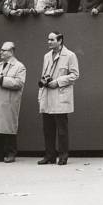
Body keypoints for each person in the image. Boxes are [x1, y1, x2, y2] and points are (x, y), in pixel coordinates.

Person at [38, 32, 79, 165]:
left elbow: (75, 75)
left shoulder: (70, 55)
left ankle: (63, 156)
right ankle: (49, 156)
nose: (49, 42)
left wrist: (58, 81)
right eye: (48, 39)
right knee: (48, 129)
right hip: (47, 96)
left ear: (60, 40)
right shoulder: (46, 56)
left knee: (62, 130)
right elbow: (44, 74)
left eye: (52, 40)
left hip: (60, 96)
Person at [0, 41, 26, 163]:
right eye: (1, 50)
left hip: (7, 102)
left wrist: (2, 79)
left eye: (4, 50)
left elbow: (19, 83)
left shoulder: (19, 66)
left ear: (11, 52)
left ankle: (11, 154)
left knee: (8, 128)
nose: (1, 52)